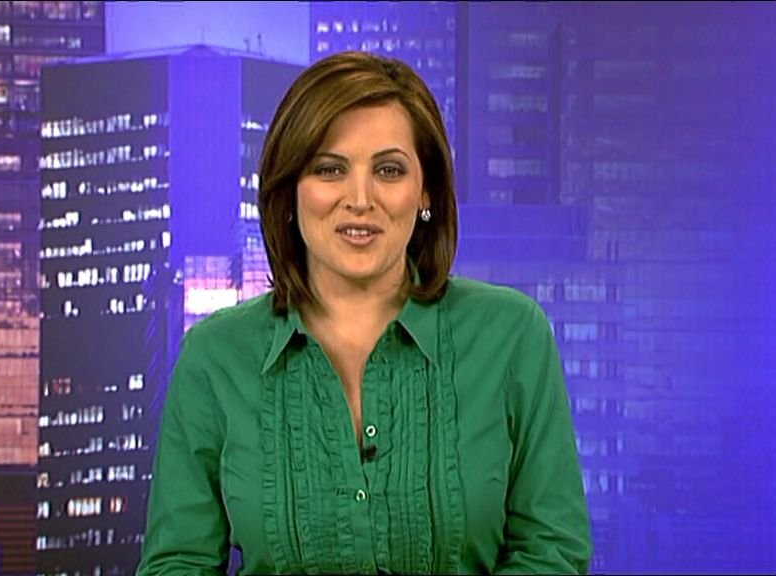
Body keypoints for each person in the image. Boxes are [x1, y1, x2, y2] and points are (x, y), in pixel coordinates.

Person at [137, 51, 592, 575]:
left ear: (425, 191)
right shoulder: (214, 356)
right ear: (290, 189)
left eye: (388, 170)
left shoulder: (512, 335)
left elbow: (552, 551)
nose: (360, 199)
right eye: (329, 169)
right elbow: (178, 562)